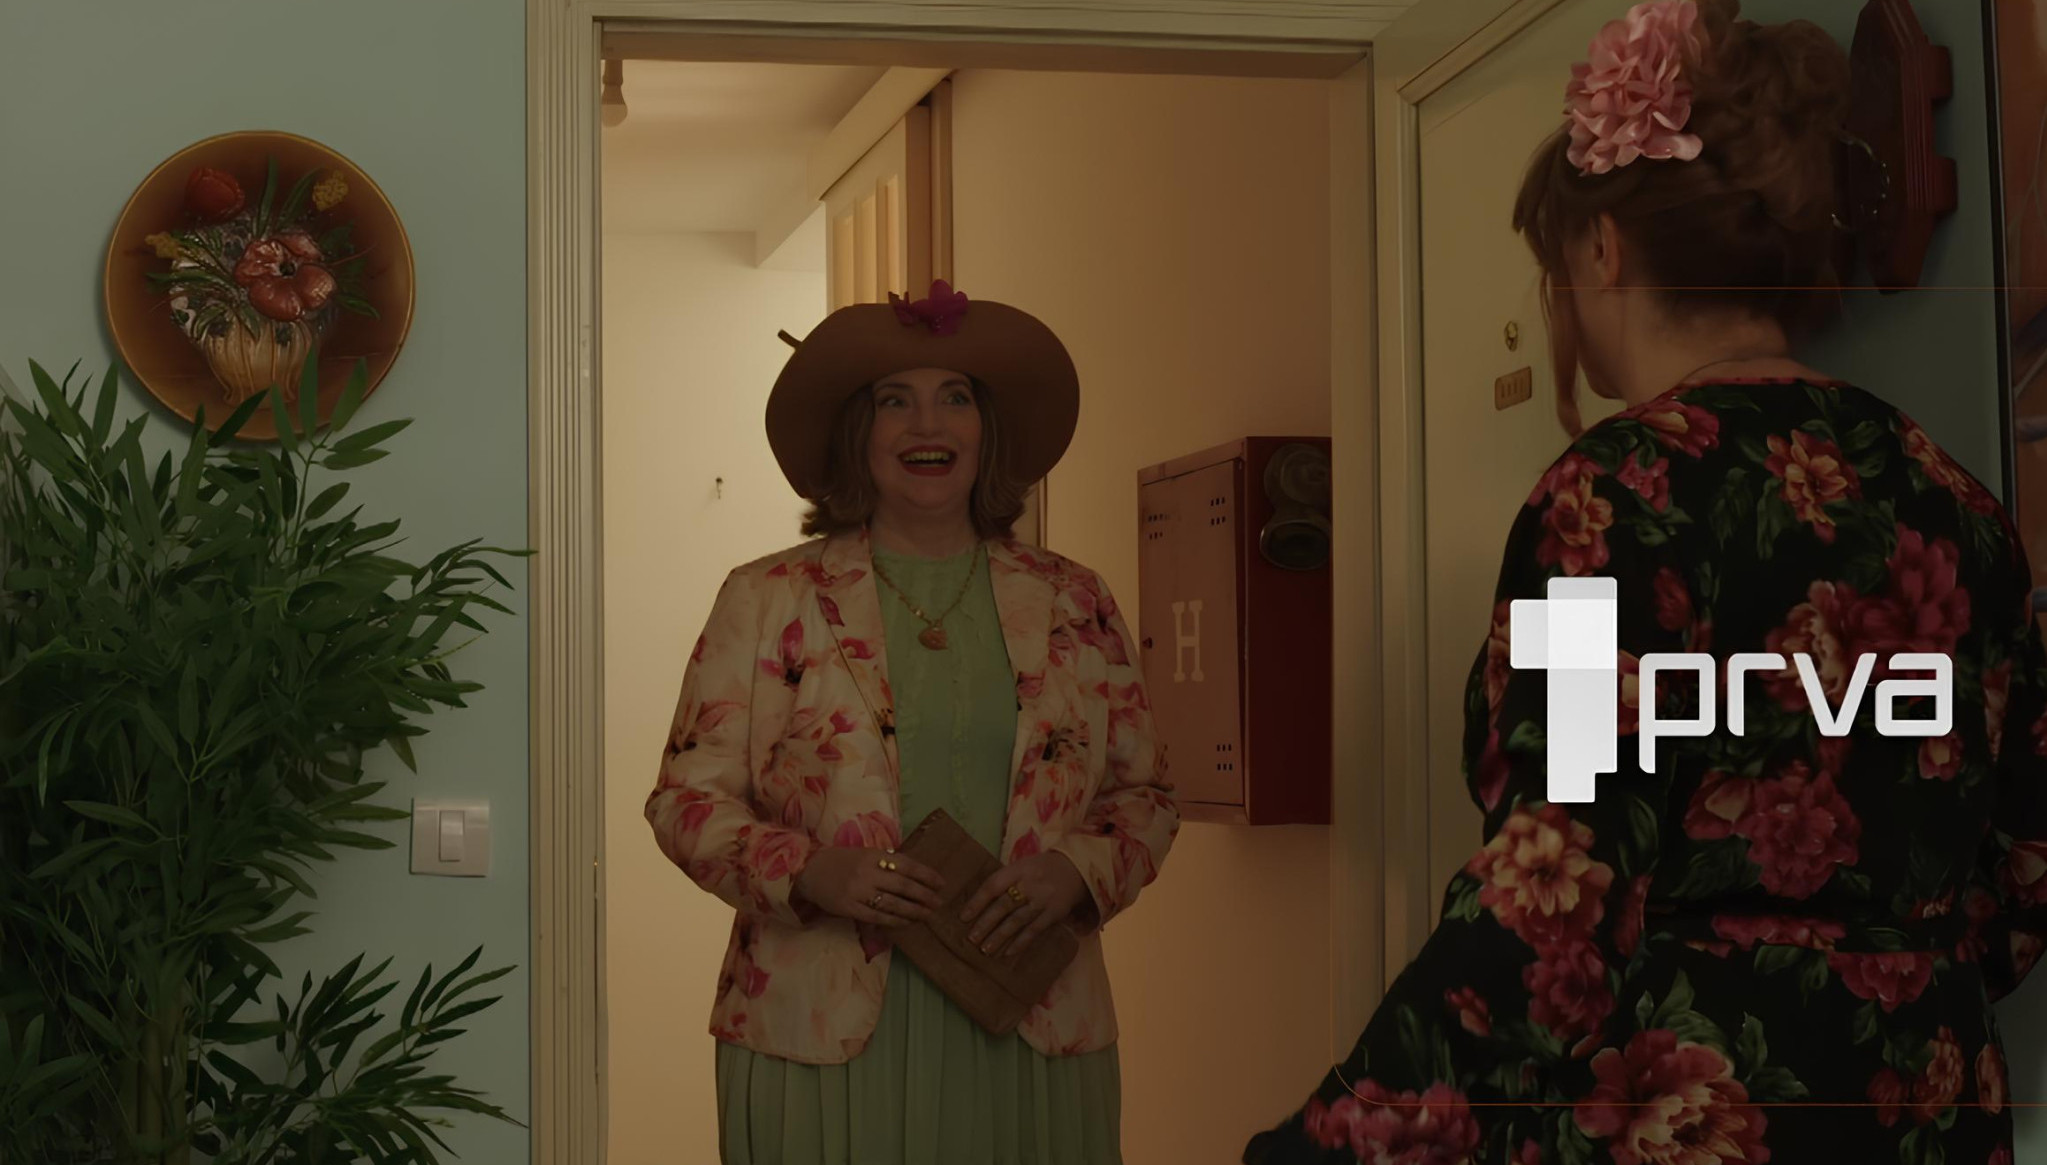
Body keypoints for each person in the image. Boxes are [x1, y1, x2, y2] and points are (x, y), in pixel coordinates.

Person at [1246, 2, 2047, 1162]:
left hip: (1680, 1112)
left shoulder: (1606, 502)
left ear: (1601, 250)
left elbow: (1558, 892)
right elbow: (2024, 868)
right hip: (1927, 1102)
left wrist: (1332, 1140)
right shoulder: (1953, 500)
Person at [646, 279, 1179, 1165]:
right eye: (895, 401)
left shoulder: (1072, 597)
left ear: (986, 430)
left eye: (954, 398)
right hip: (815, 1029)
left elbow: (1147, 794)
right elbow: (684, 800)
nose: (927, 425)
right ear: (858, 434)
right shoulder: (766, 595)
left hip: (1033, 1018)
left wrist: (1075, 872)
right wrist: (809, 869)